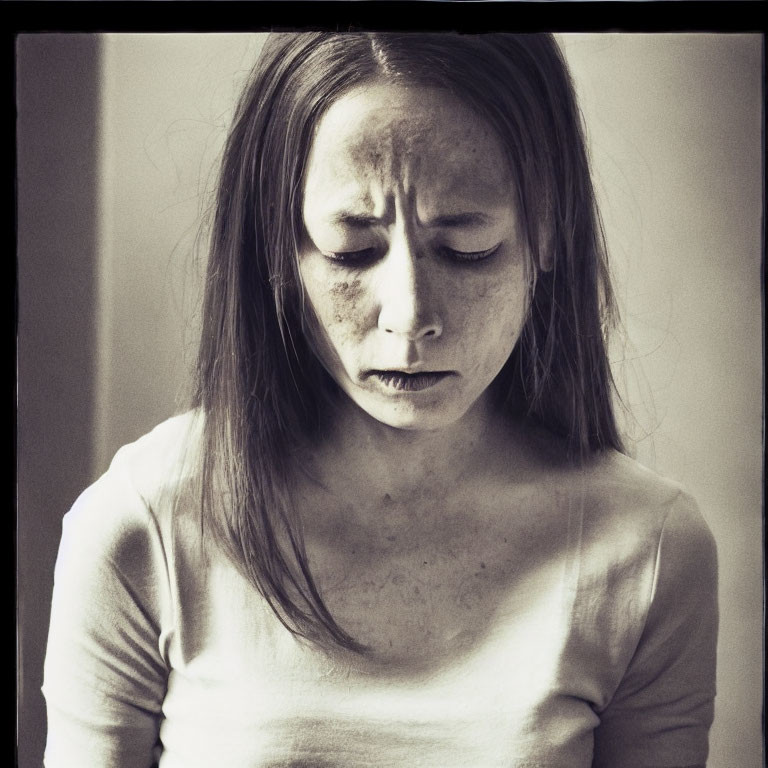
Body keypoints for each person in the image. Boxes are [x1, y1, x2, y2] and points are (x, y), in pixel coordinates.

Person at [42, 32, 718, 768]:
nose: (409, 315)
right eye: (349, 250)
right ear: (277, 245)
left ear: (548, 232)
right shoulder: (143, 527)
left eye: (468, 248)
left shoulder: (648, 549)